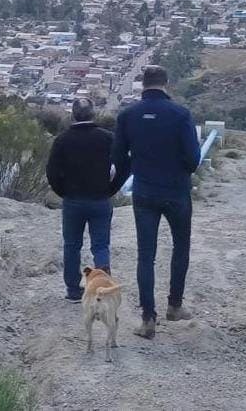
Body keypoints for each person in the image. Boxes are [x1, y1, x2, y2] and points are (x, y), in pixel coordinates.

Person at [112, 65, 200, 339]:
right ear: (166, 83)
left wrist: (133, 171)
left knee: (145, 255)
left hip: (145, 191)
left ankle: (148, 319)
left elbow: (118, 156)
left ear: (142, 84)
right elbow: (193, 159)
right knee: (180, 247)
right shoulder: (180, 114)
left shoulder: (128, 115)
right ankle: (174, 305)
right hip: (176, 191)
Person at [46, 98, 127, 303]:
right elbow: (125, 164)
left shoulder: (62, 140)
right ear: (93, 114)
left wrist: (63, 192)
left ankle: (74, 290)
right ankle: (103, 288)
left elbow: (52, 172)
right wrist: (112, 188)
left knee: (72, 245)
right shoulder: (107, 138)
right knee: (100, 245)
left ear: (73, 115)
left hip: (73, 200)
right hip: (100, 199)